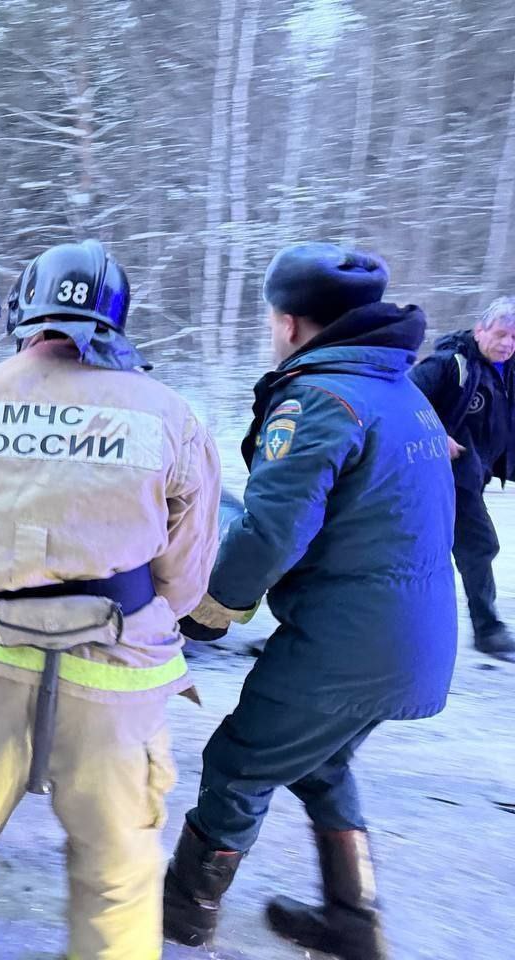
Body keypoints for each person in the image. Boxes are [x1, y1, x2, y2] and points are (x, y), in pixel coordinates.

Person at [0, 240, 222, 960]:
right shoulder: (168, 415)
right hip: (114, 677)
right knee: (116, 872)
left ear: (24, 313)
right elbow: (188, 580)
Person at [167, 243, 457, 960]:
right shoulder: (399, 390)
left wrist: (211, 607)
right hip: (411, 637)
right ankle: (354, 921)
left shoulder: (318, 399)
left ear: (291, 323)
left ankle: (182, 915)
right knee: (319, 764)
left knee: (239, 762)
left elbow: (271, 528)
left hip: (345, 642)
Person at [409, 296, 515, 661]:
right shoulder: (451, 364)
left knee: (435, 551)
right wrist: (436, 434)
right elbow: (402, 397)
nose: (507, 343)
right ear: (479, 330)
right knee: (477, 546)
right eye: (501, 334)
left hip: (470, 478)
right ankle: (487, 631)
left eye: (514, 338)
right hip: (438, 479)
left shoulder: (506, 371)